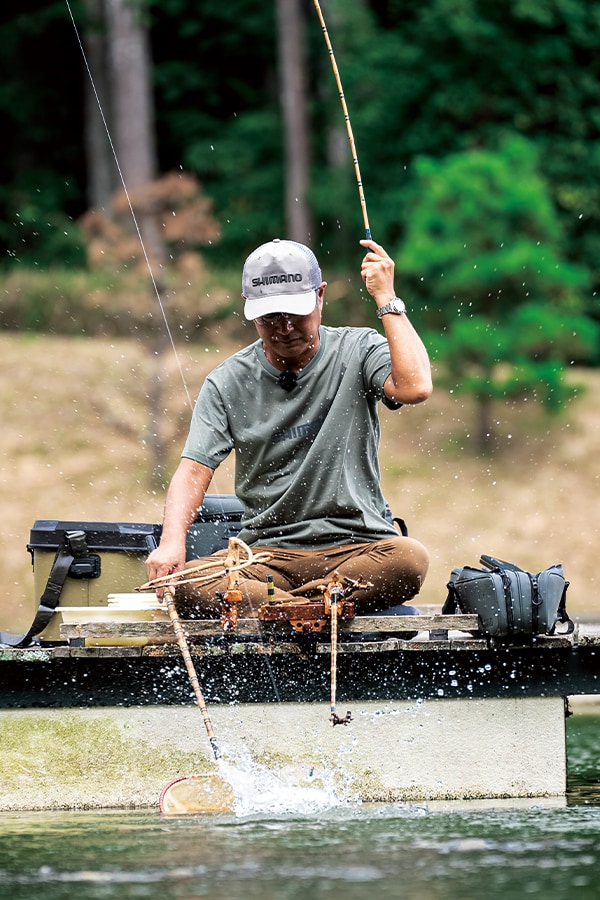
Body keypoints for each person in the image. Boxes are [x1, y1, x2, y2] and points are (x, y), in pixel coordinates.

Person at [146, 237, 433, 618]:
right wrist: (171, 543)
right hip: (265, 558)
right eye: (269, 318)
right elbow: (194, 470)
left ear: (320, 296)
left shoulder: (358, 349)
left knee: (409, 559)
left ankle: (286, 609)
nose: (284, 328)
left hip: (355, 551)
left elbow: (415, 387)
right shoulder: (226, 381)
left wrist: (386, 299)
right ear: (249, 309)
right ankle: (312, 607)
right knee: (186, 584)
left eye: (295, 314)